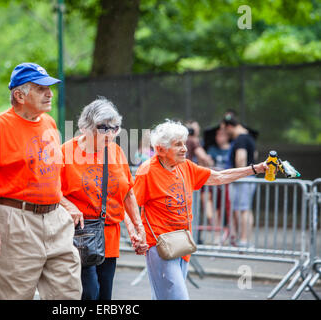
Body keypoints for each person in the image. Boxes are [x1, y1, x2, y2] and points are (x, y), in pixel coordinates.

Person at [0, 62, 82, 300]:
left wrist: (65, 204)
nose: (50, 93)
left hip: (56, 220)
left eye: (49, 88)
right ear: (20, 95)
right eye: (41, 88)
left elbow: (47, 174)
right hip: (15, 221)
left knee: (68, 296)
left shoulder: (49, 123)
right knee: (12, 296)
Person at [133, 119, 267, 300]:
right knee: (178, 297)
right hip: (160, 245)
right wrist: (137, 234)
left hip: (183, 243)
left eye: (184, 143)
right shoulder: (147, 171)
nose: (185, 149)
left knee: (163, 297)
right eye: (178, 145)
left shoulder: (185, 166)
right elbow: (131, 205)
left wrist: (254, 169)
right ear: (160, 150)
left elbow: (219, 177)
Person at [60, 97, 147, 300]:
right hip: (79, 235)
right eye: (103, 128)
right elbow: (50, 191)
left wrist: (138, 227)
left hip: (109, 235)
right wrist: (68, 205)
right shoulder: (65, 152)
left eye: (115, 128)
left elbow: (127, 192)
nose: (110, 134)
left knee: (105, 295)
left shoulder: (116, 152)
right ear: (85, 127)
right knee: (89, 293)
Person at [221, 113, 257, 248]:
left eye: (225, 130)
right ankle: (243, 239)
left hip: (243, 179)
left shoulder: (241, 139)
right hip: (248, 178)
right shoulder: (249, 137)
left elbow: (241, 158)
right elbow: (255, 155)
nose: (225, 133)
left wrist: (238, 174)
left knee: (243, 210)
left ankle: (243, 240)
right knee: (244, 209)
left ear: (230, 126)